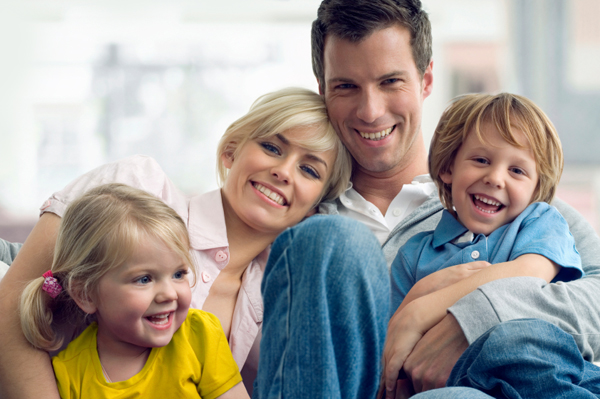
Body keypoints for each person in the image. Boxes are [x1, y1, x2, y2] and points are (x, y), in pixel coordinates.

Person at [310, 0, 599, 397]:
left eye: (391, 81)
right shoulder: (304, 226)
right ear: (322, 87)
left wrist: (468, 317)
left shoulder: (522, 207)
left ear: (426, 80)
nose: (371, 111)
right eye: (346, 86)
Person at [0, 87, 352, 398]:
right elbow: (12, 304)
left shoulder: (275, 301)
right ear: (231, 150)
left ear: (316, 207)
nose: (284, 171)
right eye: (272, 147)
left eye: (310, 170)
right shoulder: (138, 186)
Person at [385, 92, 585, 396]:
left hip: (538, 369)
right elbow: (395, 343)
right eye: (481, 160)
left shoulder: (539, 221)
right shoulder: (413, 254)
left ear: (535, 189)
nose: (495, 178)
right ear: (449, 168)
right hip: (460, 382)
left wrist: (426, 307)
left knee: (515, 337)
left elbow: (528, 274)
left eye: (517, 170)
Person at [20, 183, 249, 398]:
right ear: (85, 294)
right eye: (144, 279)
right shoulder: (70, 373)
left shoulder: (200, 336)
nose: (169, 294)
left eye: (178, 274)